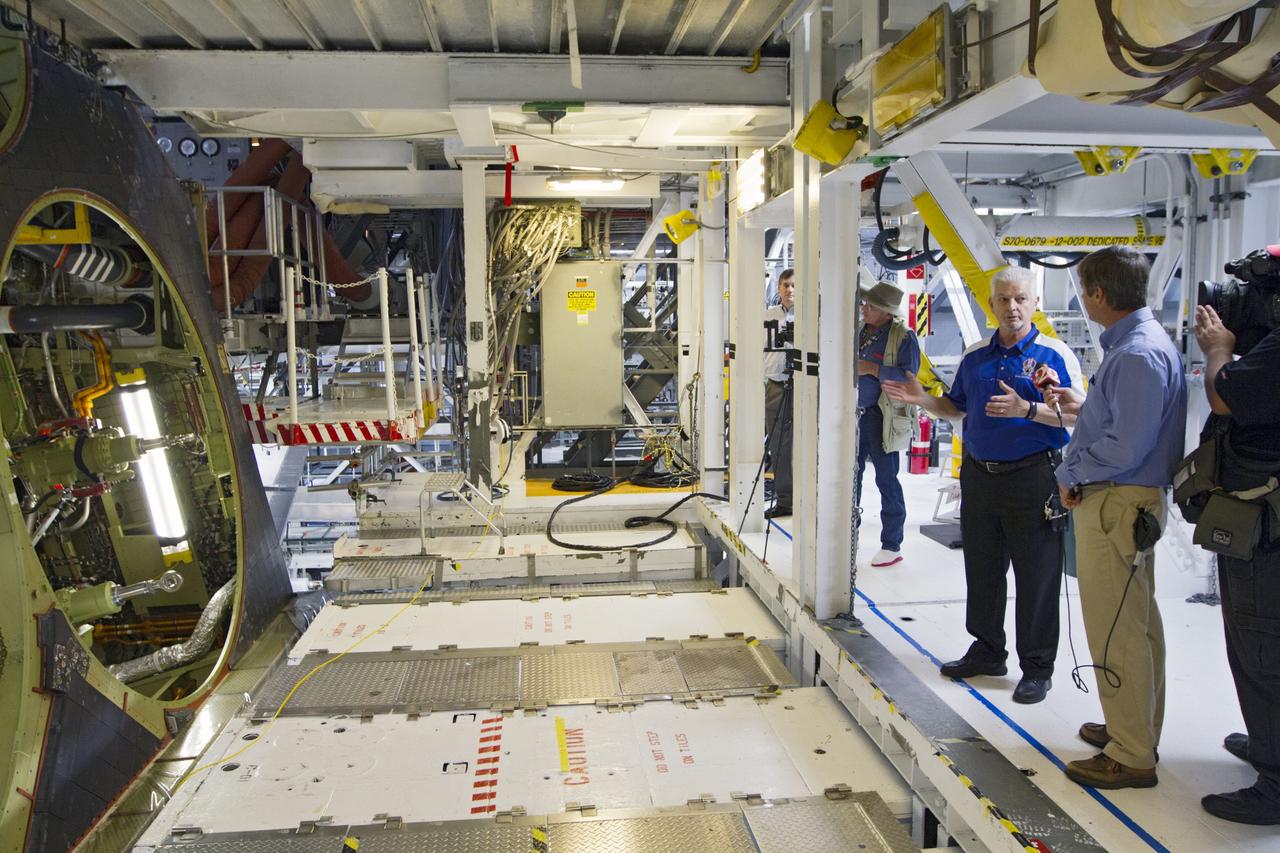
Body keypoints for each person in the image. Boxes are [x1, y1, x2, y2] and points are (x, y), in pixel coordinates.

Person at [883, 266, 1082, 704]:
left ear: (1034, 303)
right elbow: (955, 408)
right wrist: (922, 400)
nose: (1012, 307)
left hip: (1034, 477)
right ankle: (988, 650)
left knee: (1037, 575)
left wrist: (1026, 410)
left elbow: (1077, 417)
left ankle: (1037, 667)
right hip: (980, 475)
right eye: (1004, 300)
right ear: (990, 305)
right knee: (984, 570)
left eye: (1020, 299)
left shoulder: (1055, 355)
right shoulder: (975, 357)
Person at [1054, 246, 1187, 790]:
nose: (1084, 300)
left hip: (1113, 498)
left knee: (1116, 629)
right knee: (1136, 622)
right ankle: (1132, 728)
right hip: (1125, 498)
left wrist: (1072, 471)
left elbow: (1126, 444)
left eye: (1084, 290)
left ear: (1099, 295)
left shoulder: (1135, 354)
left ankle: (1131, 754)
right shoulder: (1145, 344)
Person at [1193, 300, 1280, 823]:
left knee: (1262, 644)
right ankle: (1269, 743)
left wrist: (1220, 350)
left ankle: (1275, 781)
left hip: (1268, 531)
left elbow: (1226, 395)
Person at [855, 279, 921, 567]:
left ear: (886, 312)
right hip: (854, 414)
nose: (864, 308)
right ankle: (849, 532)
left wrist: (873, 369)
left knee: (886, 479)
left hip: (883, 417)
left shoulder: (903, 337)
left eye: (870, 305)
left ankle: (891, 543)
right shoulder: (859, 332)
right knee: (849, 477)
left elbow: (910, 378)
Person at [764, 269, 795, 518]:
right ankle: (786, 500)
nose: (789, 290)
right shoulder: (768, 316)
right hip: (776, 384)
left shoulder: (813, 315)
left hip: (807, 386)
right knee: (779, 444)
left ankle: (811, 497)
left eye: (794, 285)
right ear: (779, 287)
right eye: (786, 285)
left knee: (810, 442)